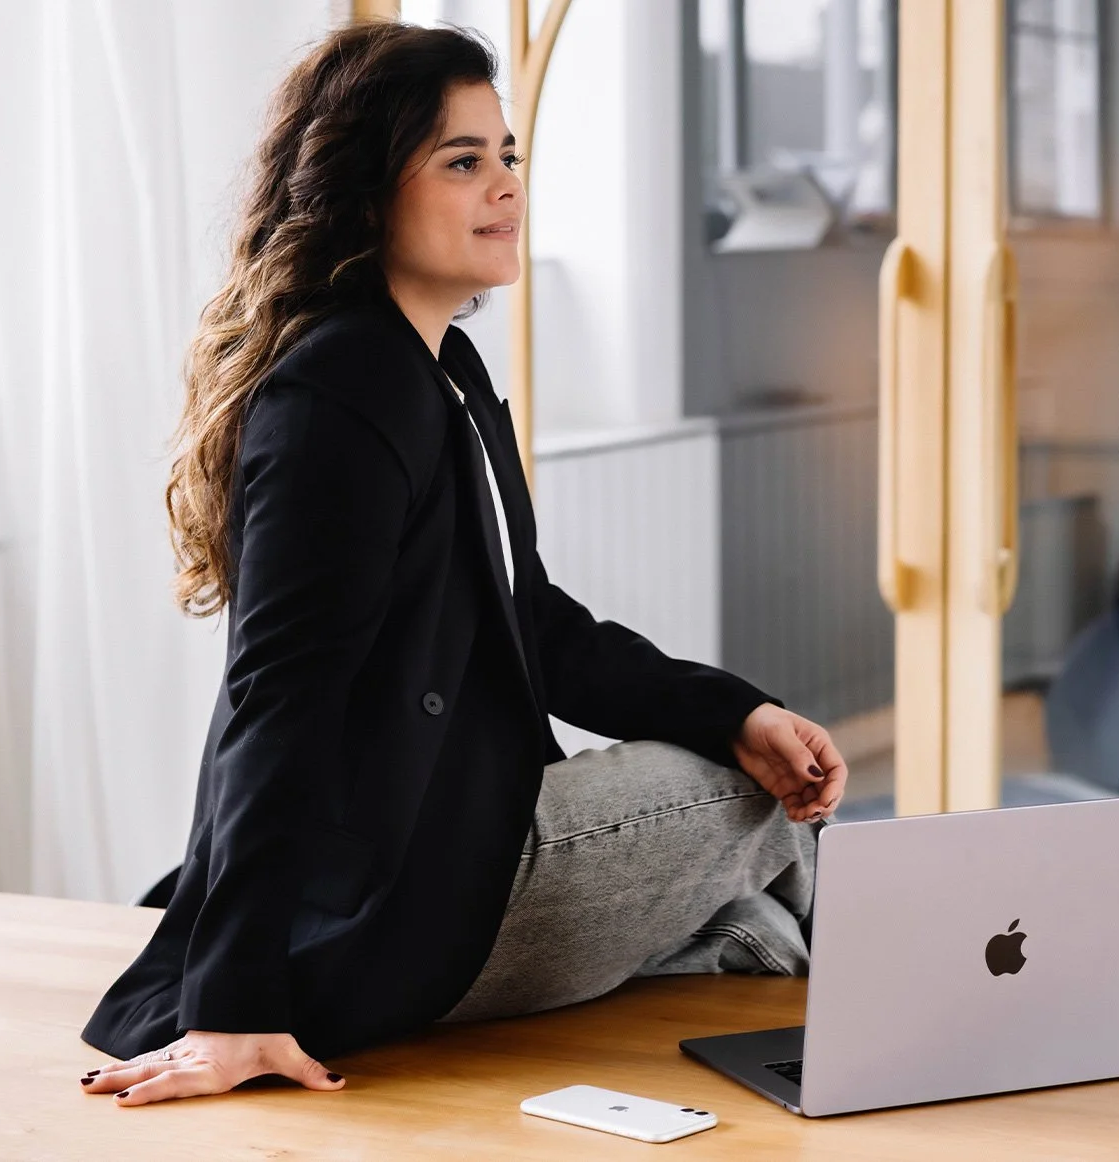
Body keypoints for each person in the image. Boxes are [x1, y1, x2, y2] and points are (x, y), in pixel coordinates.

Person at [78, 22, 846, 1107]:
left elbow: (531, 621)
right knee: (757, 803)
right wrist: (235, 1001)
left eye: (508, 155)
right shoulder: (342, 392)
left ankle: (765, 956)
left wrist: (735, 707)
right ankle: (853, 1024)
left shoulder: (436, 364)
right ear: (362, 188)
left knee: (759, 793)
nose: (505, 188)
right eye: (461, 161)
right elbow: (279, 699)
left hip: (460, 848)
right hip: (410, 890)